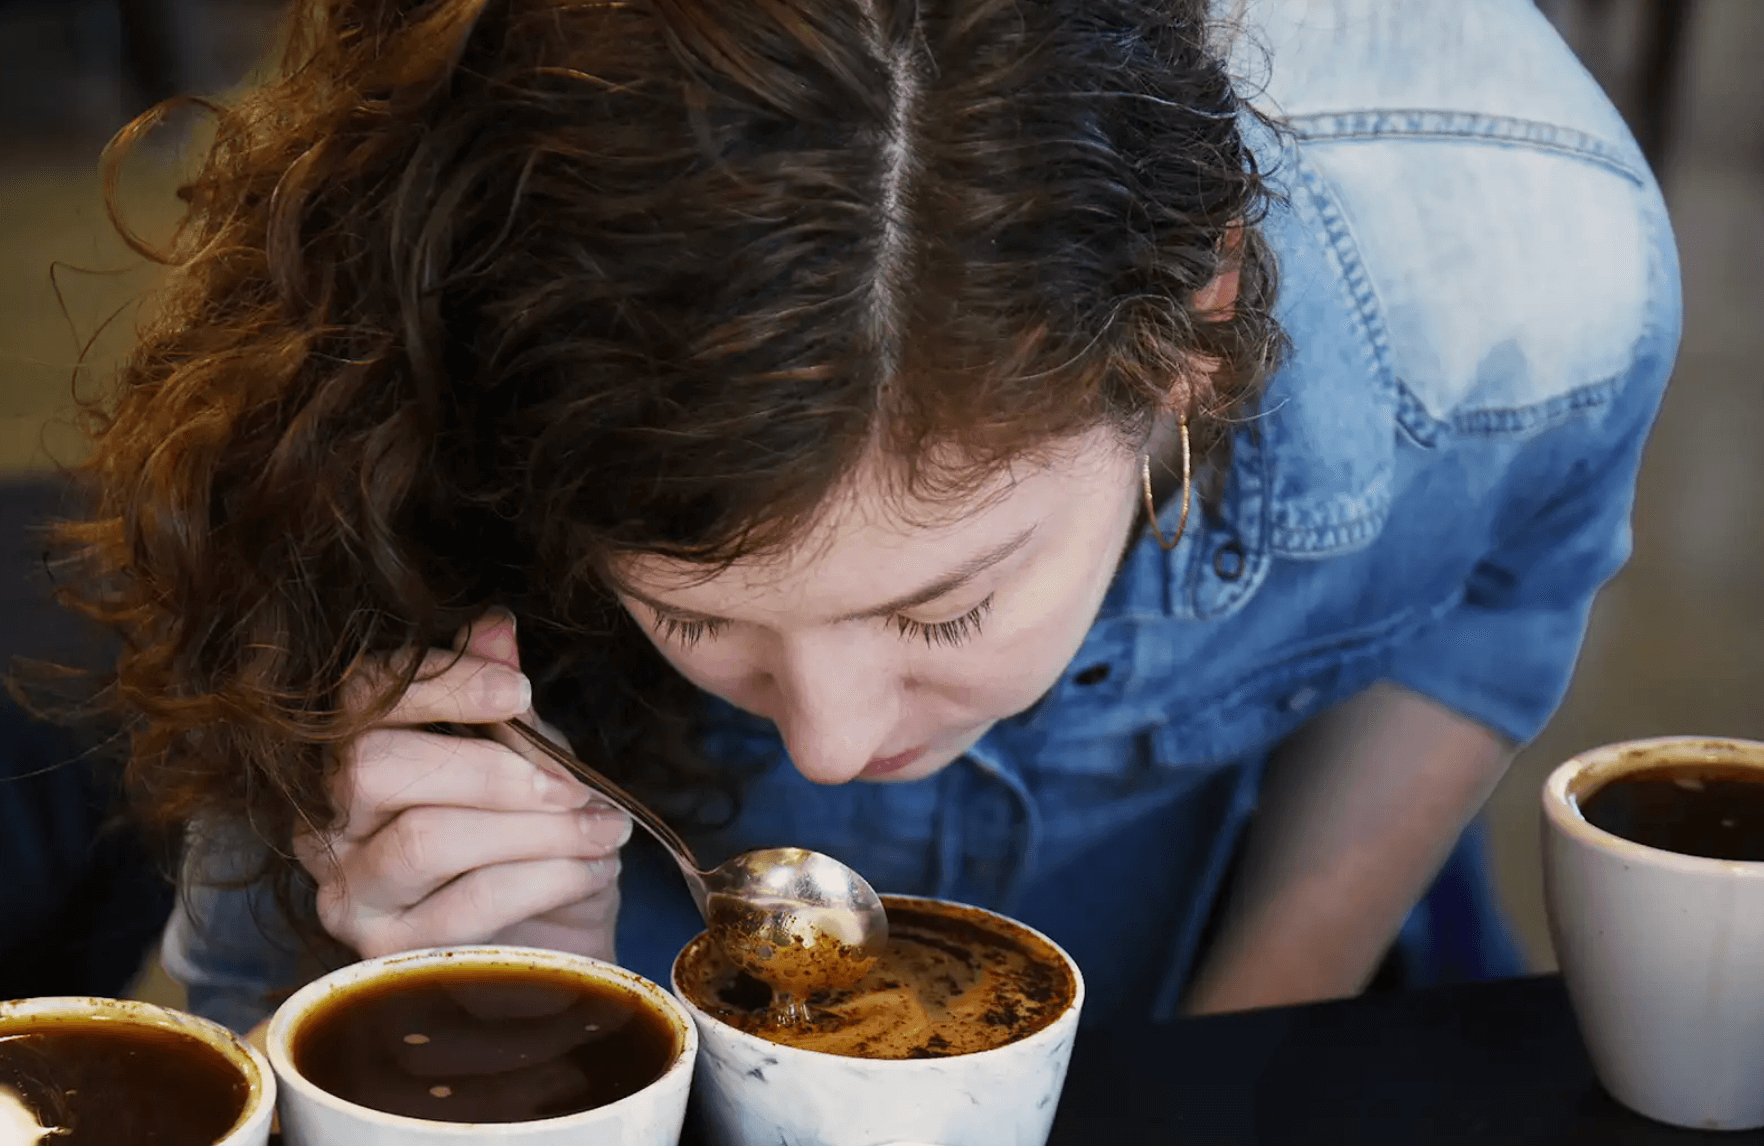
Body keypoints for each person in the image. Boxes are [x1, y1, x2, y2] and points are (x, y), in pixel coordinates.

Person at [53, 0, 1678, 1034]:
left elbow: (1492, 603)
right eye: (693, 611)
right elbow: (244, 1013)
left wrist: (1242, 1035)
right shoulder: (394, 400)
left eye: (945, 606)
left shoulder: (1528, 301)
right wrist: (501, 999)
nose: (827, 749)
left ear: (1188, 338)